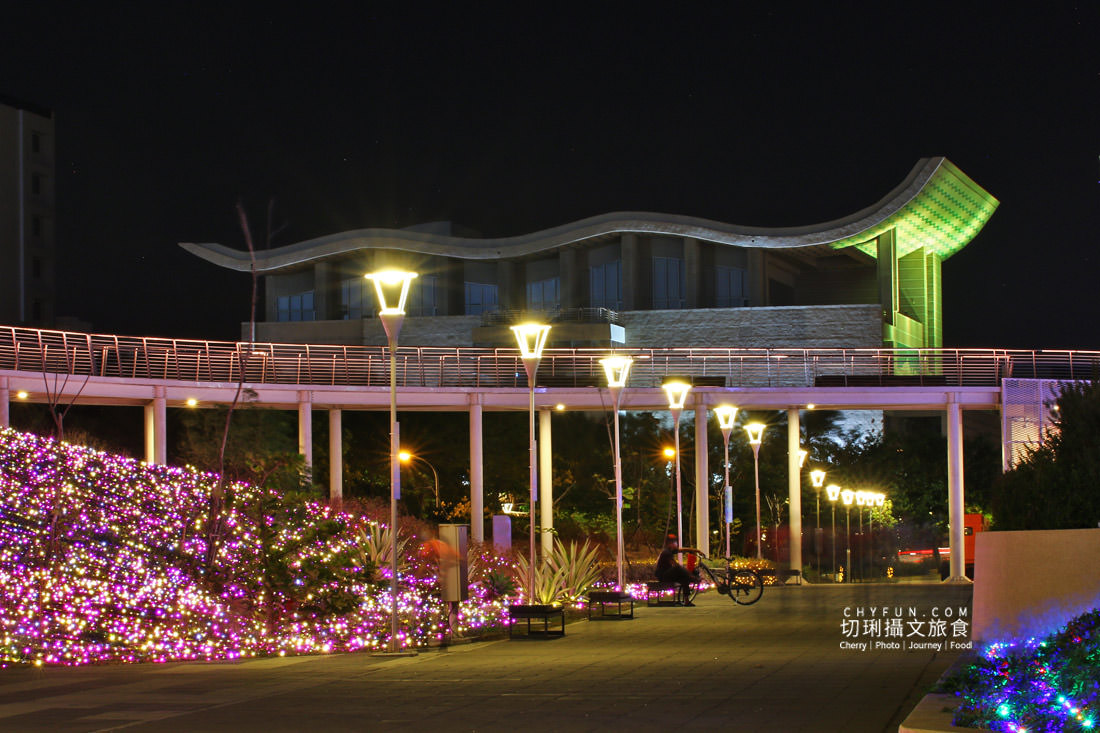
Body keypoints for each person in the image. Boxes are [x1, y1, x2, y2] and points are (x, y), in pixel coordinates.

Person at [655, 534, 700, 606]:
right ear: (670, 544)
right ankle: (692, 577)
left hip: (669, 575)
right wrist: (687, 572)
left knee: (684, 578)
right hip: (663, 576)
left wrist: (695, 550)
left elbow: (681, 550)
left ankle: (687, 600)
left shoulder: (671, 550)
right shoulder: (666, 552)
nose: (676, 544)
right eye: (675, 543)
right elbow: (674, 564)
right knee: (678, 568)